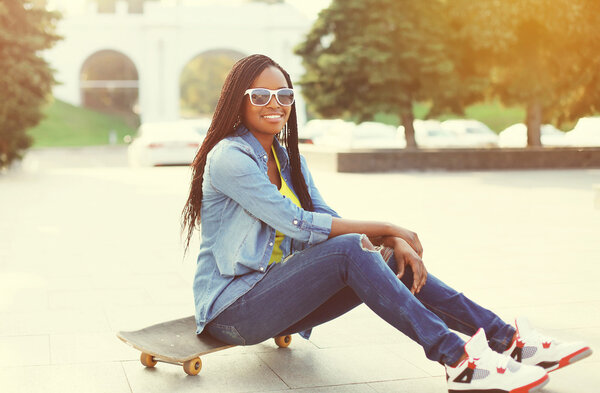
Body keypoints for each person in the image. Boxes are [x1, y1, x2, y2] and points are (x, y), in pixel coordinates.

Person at [181, 54, 591, 392]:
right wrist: (391, 227)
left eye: (284, 94)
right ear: (239, 101)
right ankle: (459, 358)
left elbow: (328, 219)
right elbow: (300, 224)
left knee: (386, 256)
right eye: (261, 95)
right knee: (351, 249)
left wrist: (389, 240)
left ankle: (509, 342)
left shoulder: (291, 161)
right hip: (233, 311)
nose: (275, 103)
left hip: (281, 301)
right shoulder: (230, 158)